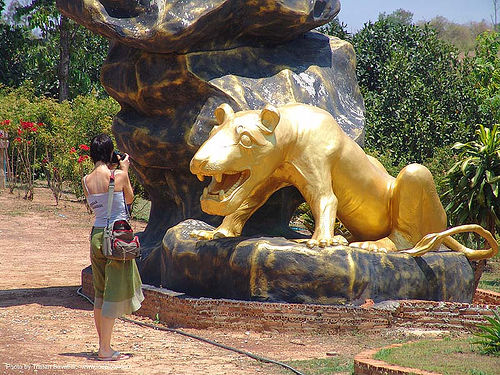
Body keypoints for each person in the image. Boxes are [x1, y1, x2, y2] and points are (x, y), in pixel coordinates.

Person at [82, 134, 144, 361]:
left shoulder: (86, 180)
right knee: (111, 295)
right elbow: (129, 199)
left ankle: (103, 344)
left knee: (99, 293)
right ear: (110, 153)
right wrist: (124, 168)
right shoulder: (118, 176)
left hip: (97, 236)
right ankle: (104, 350)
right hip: (116, 237)